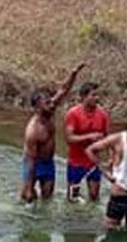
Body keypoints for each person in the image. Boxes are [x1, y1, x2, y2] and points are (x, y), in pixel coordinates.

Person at [21, 63, 87, 203]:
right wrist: (28, 187)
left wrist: (73, 73)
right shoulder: (33, 131)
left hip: (48, 163)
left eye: (51, 102)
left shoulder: (49, 112)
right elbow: (31, 160)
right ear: (37, 107)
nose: (52, 105)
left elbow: (64, 90)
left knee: (47, 200)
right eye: (47, 103)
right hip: (33, 164)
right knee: (27, 199)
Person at [64, 83, 110, 202]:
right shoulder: (73, 113)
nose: (97, 98)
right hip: (76, 161)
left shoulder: (103, 114)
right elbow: (69, 138)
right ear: (84, 97)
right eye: (93, 95)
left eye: (97, 95)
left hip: (94, 162)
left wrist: (111, 157)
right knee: (72, 198)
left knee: (94, 197)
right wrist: (89, 136)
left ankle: (91, 219)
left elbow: (107, 138)